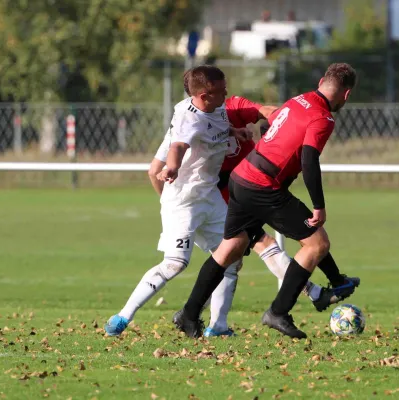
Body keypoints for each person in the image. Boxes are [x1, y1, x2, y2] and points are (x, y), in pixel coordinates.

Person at [167, 72, 359, 337]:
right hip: (263, 186)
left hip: (242, 177)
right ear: (346, 94)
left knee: (230, 248)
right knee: (317, 243)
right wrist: (319, 205)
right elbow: (309, 160)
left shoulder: (298, 100)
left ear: (320, 83)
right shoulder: (323, 119)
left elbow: (272, 128)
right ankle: (278, 312)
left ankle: (188, 315)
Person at [104, 65, 246, 336]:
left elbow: (211, 128)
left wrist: (233, 133)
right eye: (221, 90)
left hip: (211, 196)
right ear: (204, 95)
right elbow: (178, 145)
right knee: (175, 263)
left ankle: (219, 326)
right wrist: (172, 167)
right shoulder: (186, 118)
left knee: (232, 258)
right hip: (184, 200)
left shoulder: (211, 107)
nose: (226, 93)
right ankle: (123, 317)